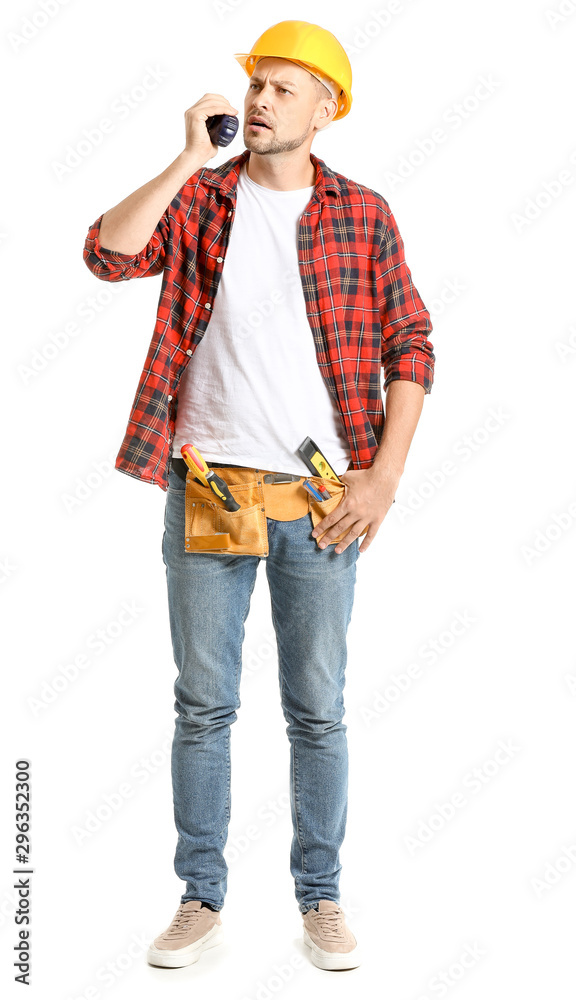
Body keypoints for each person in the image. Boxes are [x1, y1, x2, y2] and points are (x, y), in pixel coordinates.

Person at [83, 19, 435, 972]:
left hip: (322, 499)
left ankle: (320, 899)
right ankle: (201, 896)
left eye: (284, 87)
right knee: (204, 705)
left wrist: (386, 477)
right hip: (209, 485)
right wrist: (182, 158)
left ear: (328, 108)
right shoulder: (202, 201)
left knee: (316, 707)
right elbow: (108, 256)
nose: (262, 99)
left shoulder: (362, 214)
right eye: (257, 85)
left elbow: (412, 343)